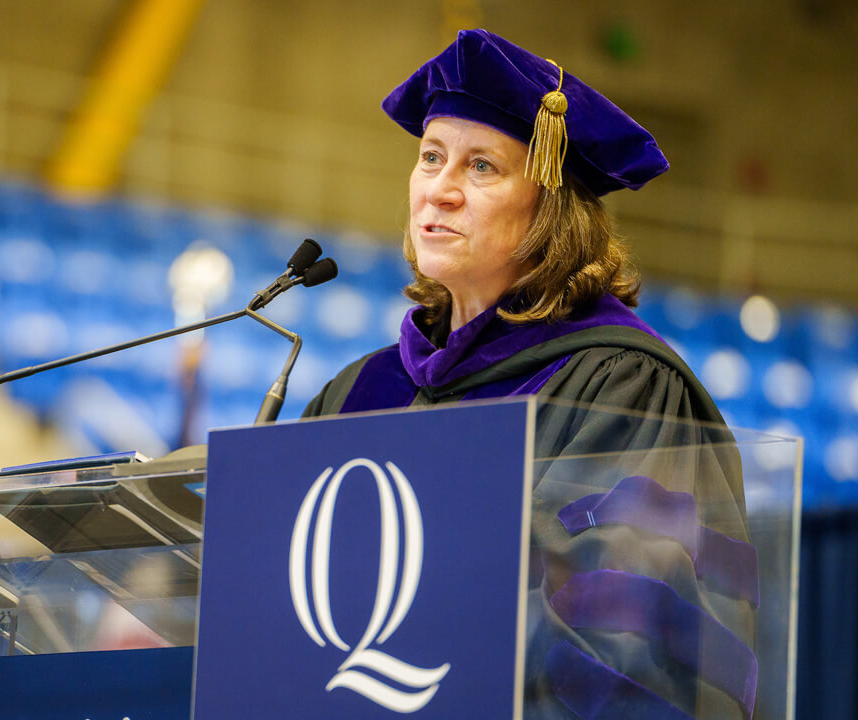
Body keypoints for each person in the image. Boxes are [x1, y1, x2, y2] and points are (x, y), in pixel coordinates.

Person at [302, 30, 756, 720]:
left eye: (481, 166)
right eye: (431, 157)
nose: (440, 191)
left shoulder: (623, 388)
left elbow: (626, 651)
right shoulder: (358, 391)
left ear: (551, 211)